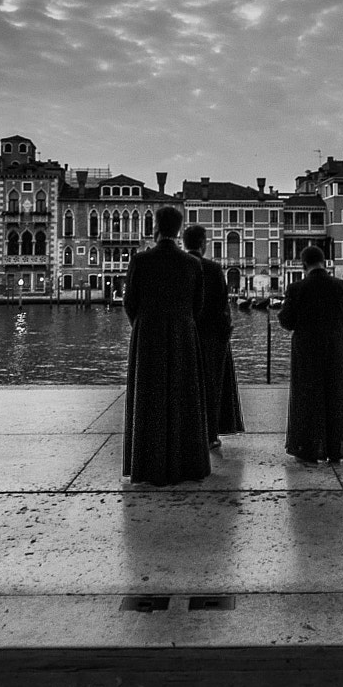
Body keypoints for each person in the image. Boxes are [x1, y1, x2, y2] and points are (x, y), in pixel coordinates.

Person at [122, 205, 212, 485]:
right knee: (184, 397)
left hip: (148, 334)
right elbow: (198, 306)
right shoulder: (193, 264)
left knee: (149, 398)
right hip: (184, 334)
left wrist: (143, 324)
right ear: (178, 230)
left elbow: (130, 303)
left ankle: (149, 465)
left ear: (156, 228)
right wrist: (182, 323)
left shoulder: (140, 260)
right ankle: (186, 464)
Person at [278, 245, 343, 464]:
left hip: (306, 351)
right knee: (336, 396)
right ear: (324, 262)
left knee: (307, 398)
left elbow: (286, 321)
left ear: (304, 265)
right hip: (335, 348)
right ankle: (336, 449)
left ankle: (308, 448)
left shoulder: (297, 288)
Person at [182, 223, 245, 447]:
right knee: (211, 387)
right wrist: (225, 334)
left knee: (186, 388)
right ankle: (209, 436)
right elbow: (221, 306)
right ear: (203, 244)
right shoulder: (213, 269)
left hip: (186, 337)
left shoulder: (182, 266)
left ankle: (187, 435)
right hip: (210, 339)